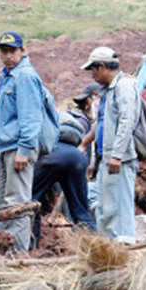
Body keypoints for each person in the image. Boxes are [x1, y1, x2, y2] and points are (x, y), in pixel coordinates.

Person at [0, 31, 45, 254]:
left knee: (17, 203)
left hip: (18, 147)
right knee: (2, 202)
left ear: (23, 50)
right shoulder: (7, 76)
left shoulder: (25, 77)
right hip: (6, 147)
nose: (8, 56)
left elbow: (31, 116)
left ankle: (18, 253)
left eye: (12, 51)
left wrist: (25, 148)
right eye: (4, 51)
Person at [82, 46, 141, 243]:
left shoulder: (124, 86)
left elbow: (127, 121)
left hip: (119, 159)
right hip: (106, 158)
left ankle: (126, 255)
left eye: (93, 70)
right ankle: (109, 253)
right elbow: (102, 126)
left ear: (101, 67)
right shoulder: (108, 91)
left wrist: (117, 154)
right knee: (106, 209)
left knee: (121, 210)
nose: (93, 75)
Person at [30, 87, 97, 246]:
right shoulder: (78, 124)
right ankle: (96, 247)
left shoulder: (44, 120)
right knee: (80, 209)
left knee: (31, 202)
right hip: (77, 159)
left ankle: (32, 245)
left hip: (51, 157)